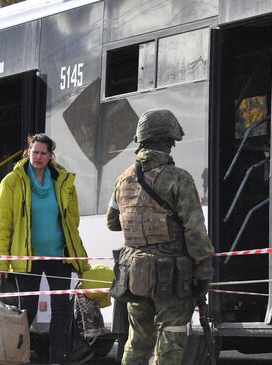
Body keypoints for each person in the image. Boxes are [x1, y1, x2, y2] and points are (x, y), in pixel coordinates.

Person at [106, 109, 214, 364]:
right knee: (171, 338)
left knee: (137, 339)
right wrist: (204, 270)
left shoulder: (123, 179)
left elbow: (112, 222)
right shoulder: (179, 179)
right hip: (171, 273)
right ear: (168, 142)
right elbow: (195, 230)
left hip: (134, 272)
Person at [0, 133, 92, 364]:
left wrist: (80, 258)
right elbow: (1, 224)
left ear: (50, 156)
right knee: (27, 310)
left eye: (43, 153)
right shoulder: (11, 181)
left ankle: (58, 359)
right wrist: (0, 261)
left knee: (62, 311)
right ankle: (18, 358)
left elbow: (72, 222)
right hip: (27, 258)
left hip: (59, 256)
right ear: (28, 152)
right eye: (34, 152)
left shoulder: (63, 181)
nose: (37, 157)